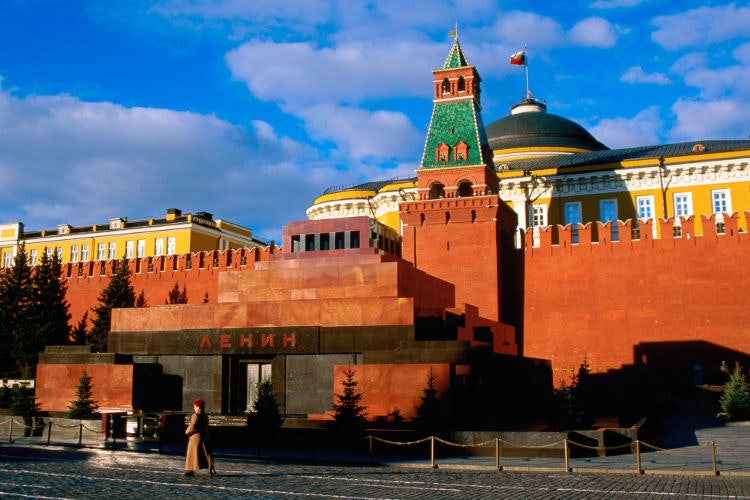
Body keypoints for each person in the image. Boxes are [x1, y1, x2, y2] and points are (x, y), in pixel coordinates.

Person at [184, 398, 215, 477]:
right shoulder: (204, 415)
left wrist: (187, 432)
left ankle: (190, 470)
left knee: (192, 454)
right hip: (203, 437)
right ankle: (211, 468)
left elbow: (192, 426)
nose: (194, 408)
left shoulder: (195, 415)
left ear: (198, 407)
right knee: (206, 453)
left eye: (195, 406)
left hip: (195, 438)